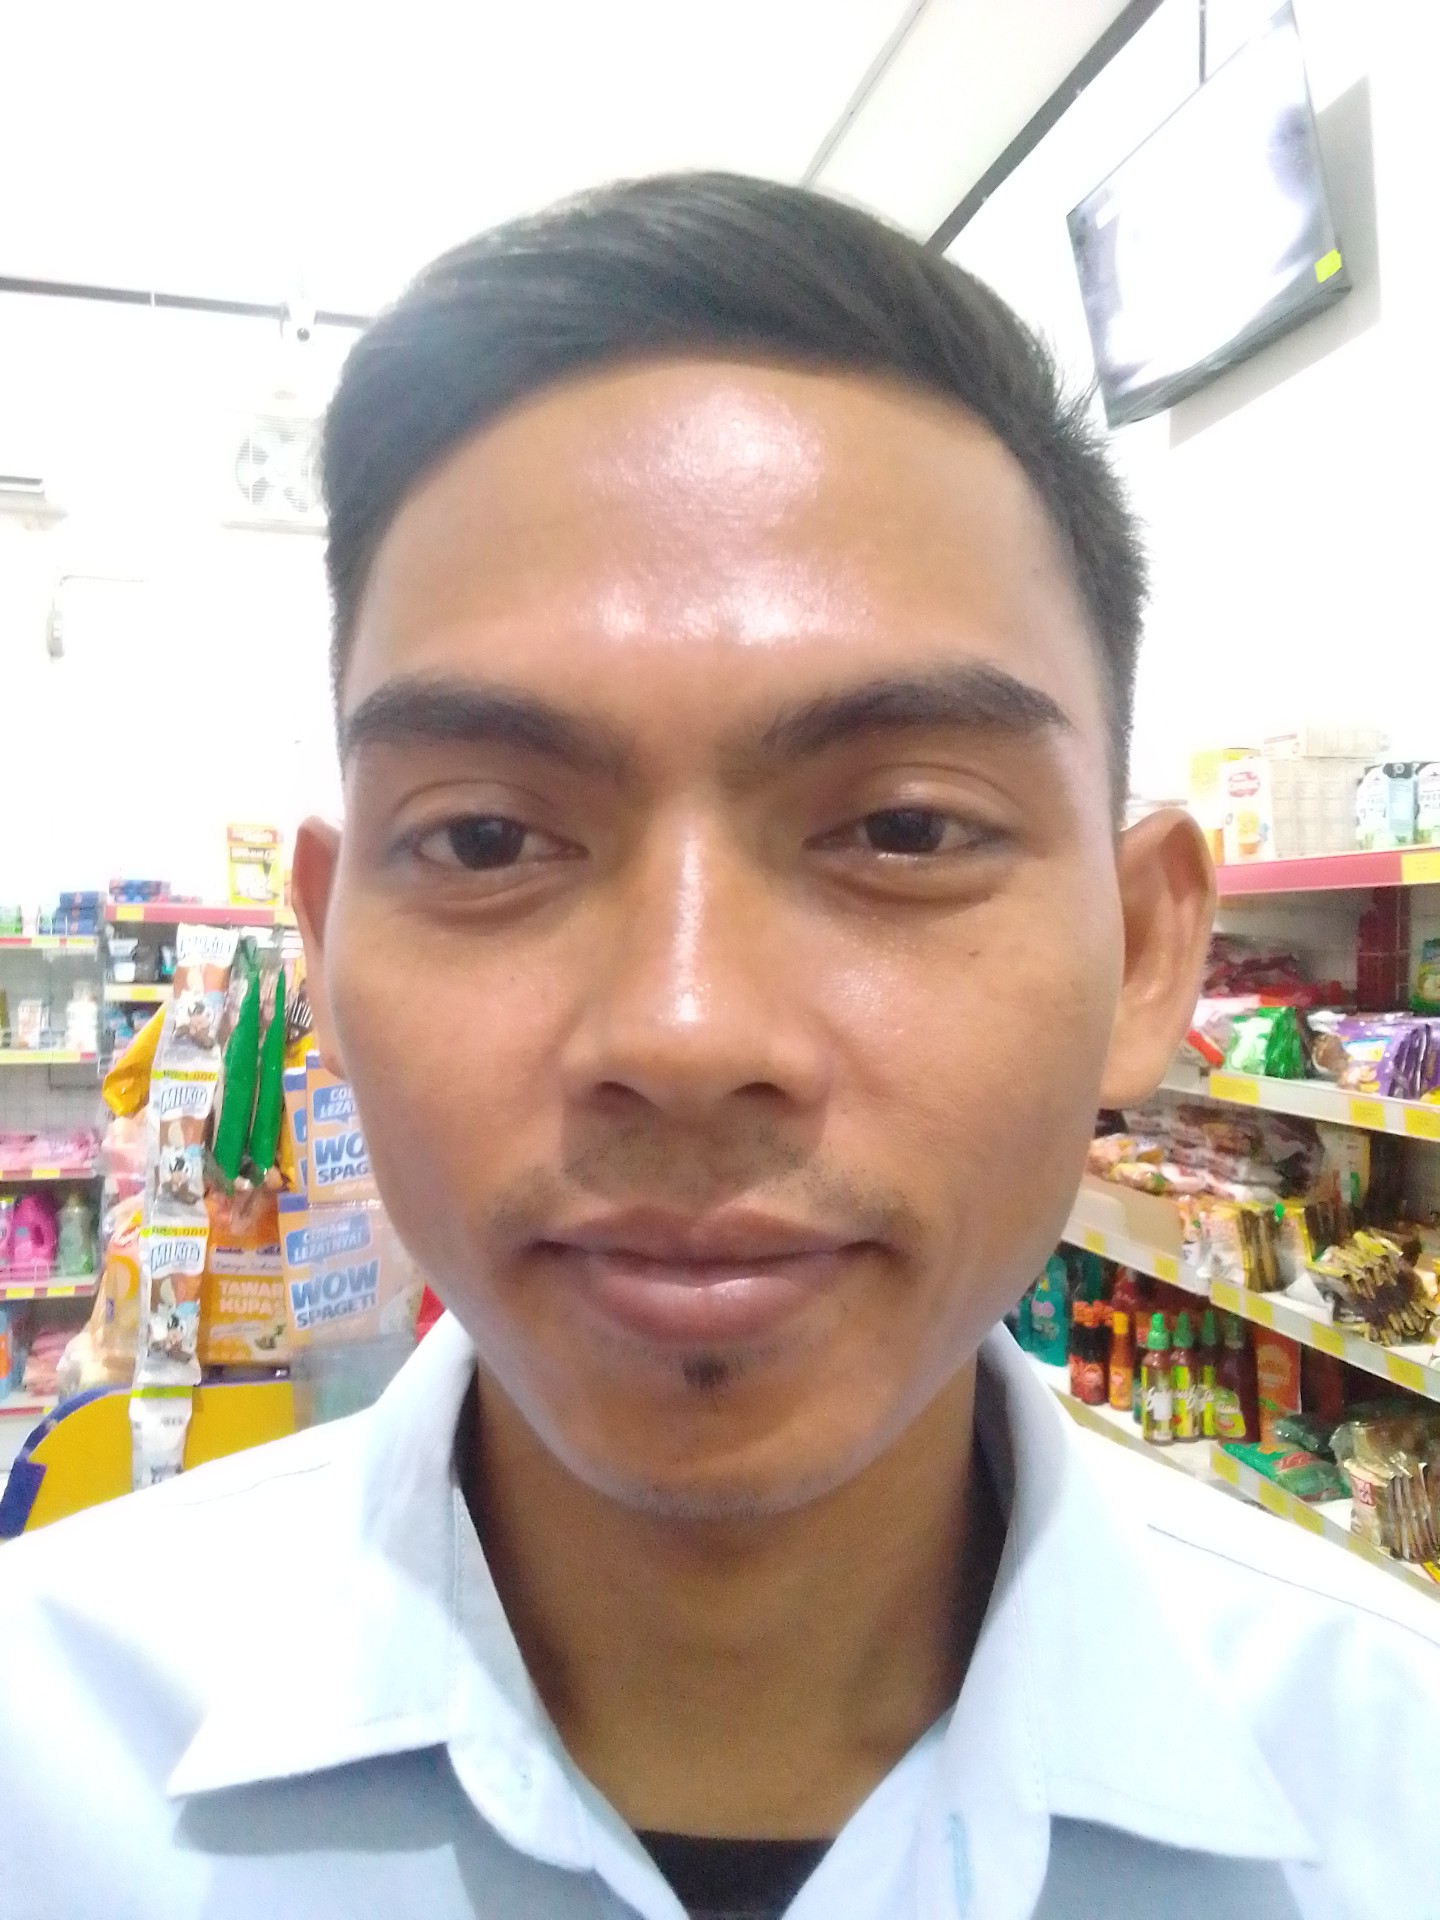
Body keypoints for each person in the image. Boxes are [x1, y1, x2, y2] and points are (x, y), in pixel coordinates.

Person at [1, 174, 1435, 1920]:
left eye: (904, 829)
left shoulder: (1394, 1792)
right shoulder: (42, 1772)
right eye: (483, 838)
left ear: (1144, 953)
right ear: (325, 954)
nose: (685, 1034)